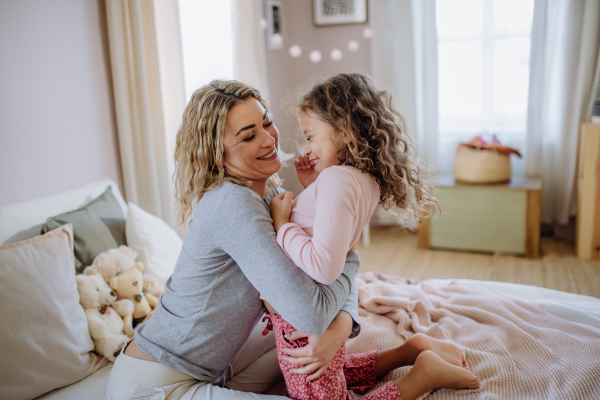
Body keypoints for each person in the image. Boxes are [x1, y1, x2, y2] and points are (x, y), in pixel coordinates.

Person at [105, 79, 363, 399]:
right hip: (156, 383)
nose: (269, 139)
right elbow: (314, 308)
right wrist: (351, 260)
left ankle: (409, 355)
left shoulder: (271, 194)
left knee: (306, 352)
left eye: (266, 122)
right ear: (216, 154)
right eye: (249, 135)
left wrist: (341, 326)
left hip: (217, 367)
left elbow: (325, 262)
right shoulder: (232, 203)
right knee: (308, 340)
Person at [264, 73, 481, 400]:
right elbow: (331, 231)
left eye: (311, 136)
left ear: (342, 128)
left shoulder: (338, 179)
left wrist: (282, 226)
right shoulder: (361, 179)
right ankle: (410, 351)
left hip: (305, 312)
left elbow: (324, 266)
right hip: (315, 307)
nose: (308, 147)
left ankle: (423, 376)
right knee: (335, 370)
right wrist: (313, 184)